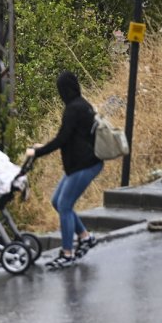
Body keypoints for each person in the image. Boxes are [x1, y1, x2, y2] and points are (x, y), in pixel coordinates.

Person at [25, 71, 102, 269]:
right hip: (82, 163)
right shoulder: (82, 105)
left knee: (65, 206)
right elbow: (72, 137)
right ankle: (85, 237)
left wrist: (38, 152)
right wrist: (42, 148)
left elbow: (62, 139)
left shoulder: (73, 109)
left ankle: (67, 253)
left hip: (84, 165)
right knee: (57, 202)